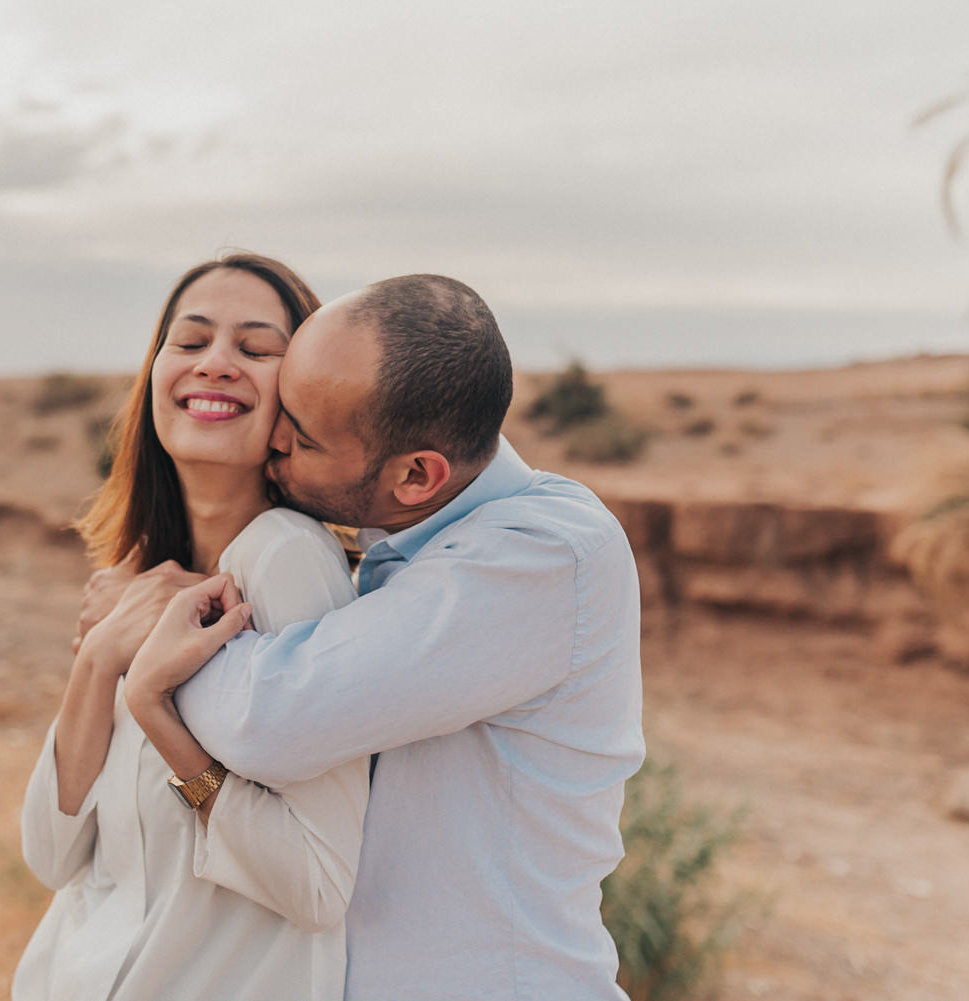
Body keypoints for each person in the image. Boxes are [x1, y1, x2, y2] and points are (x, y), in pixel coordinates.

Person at [116, 274, 646, 1001]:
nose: (272, 436)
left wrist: (152, 638)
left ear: (416, 476)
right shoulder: (396, 537)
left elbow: (273, 715)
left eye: (299, 435)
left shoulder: (543, 554)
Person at [13, 254, 370, 1001]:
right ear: (155, 375)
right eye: (191, 340)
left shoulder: (286, 563)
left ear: (302, 395)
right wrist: (100, 660)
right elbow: (53, 856)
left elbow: (316, 887)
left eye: (256, 348)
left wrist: (153, 703)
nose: (216, 364)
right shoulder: (138, 579)